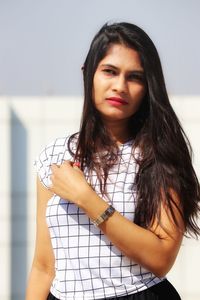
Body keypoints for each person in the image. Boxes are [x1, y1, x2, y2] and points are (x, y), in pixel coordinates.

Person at [26, 22, 200, 300]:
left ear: (147, 87)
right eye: (109, 71)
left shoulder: (158, 155)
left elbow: (161, 257)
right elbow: (43, 266)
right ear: (88, 74)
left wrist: (86, 197)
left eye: (135, 77)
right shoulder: (54, 156)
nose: (120, 86)